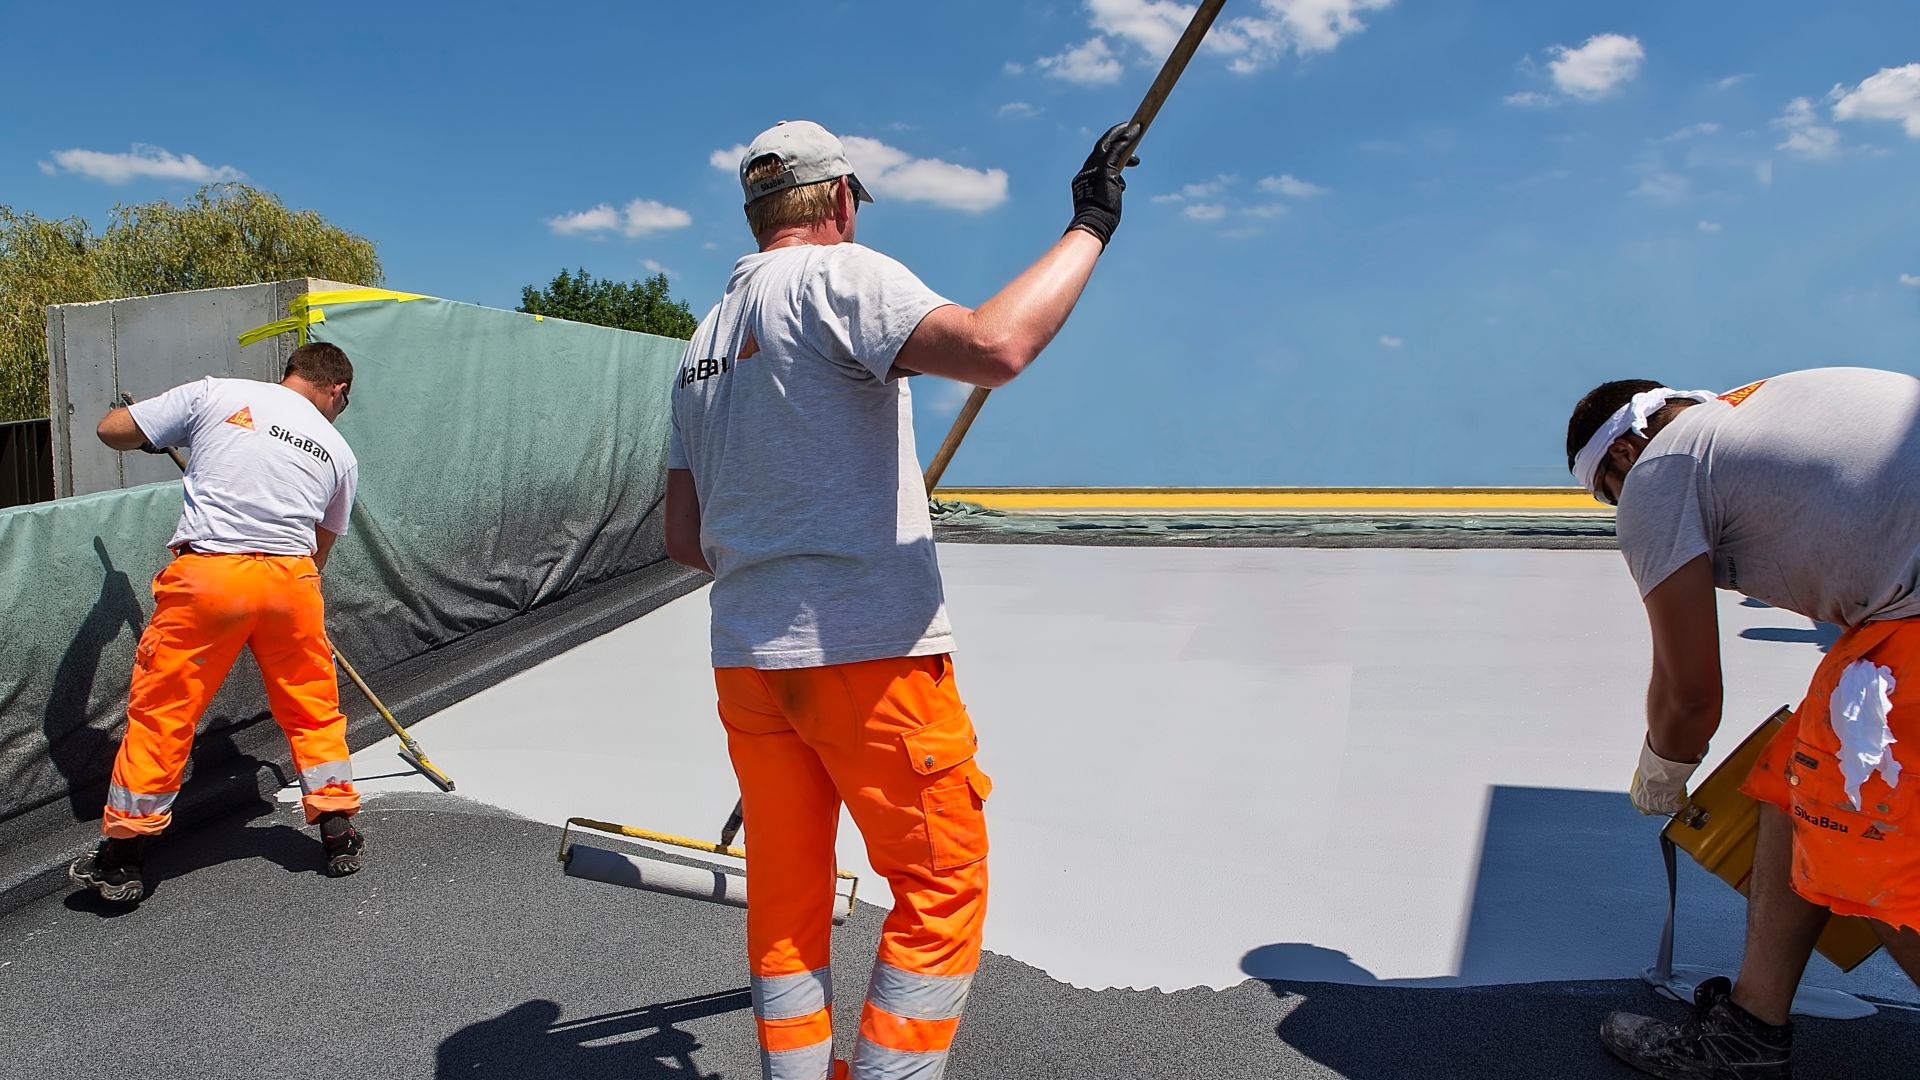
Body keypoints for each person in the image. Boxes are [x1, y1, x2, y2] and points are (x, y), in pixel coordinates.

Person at [664, 118, 1138, 1080]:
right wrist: (1089, 226)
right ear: (839, 200)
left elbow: (682, 539)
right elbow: (997, 347)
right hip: (867, 655)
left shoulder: (701, 346)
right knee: (940, 886)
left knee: (786, 904)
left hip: (751, 665)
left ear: (757, 213)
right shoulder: (843, 276)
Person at [1564, 369, 1920, 1079]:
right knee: (1799, 782)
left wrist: (1661, 772)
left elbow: (1692, 693)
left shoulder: (1662, 470)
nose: (1622, 512)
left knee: (1859, 843)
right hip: (1896, 615)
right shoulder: (1751, 419)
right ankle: (1749, 1034)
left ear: (1623, 456)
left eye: (1609, 496)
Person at [68, 342, 366, 904]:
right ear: (337, 391)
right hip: (290, 582)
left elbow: (112, 431)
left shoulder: (217, 393)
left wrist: (162, 432)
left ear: (290, 374)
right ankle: (337, 826)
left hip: (210, 577)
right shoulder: (339, 451)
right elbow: (318, 553)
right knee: (311, 705)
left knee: (166, 709)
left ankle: (123, 856)